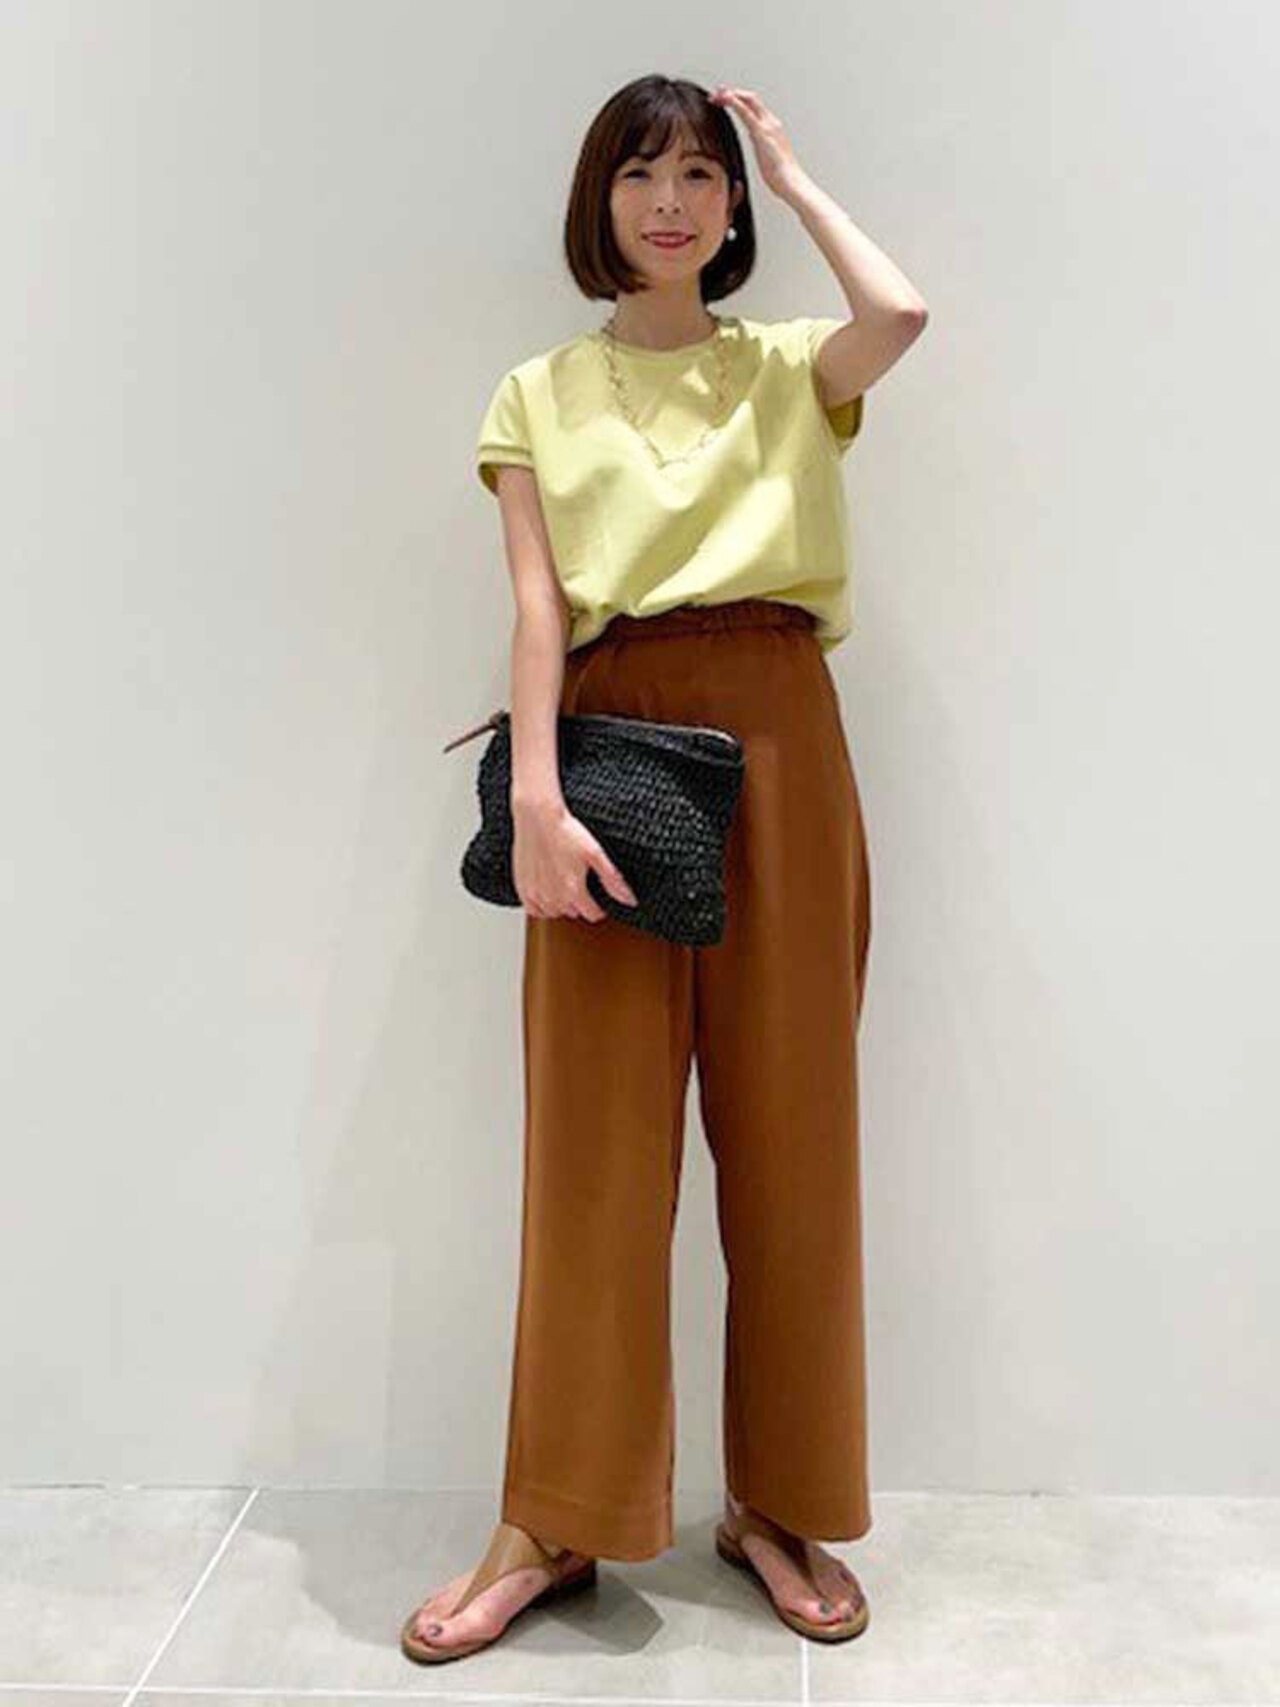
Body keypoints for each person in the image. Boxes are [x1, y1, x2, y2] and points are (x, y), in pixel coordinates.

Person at [401, 72, 928, 1665]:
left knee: (795, 1137)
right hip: (610, 754)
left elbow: (902, 314)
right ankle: (551, 1518)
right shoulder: (537, 393)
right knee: (594, 1154)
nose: (673, 202)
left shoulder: (787, 368)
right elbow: (539, 608)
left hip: (783, 740)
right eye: (643, 174)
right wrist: (535, 799)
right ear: (601, 202)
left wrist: (797, 170)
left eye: (702, 175)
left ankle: (782, 1504)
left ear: (733, 205)